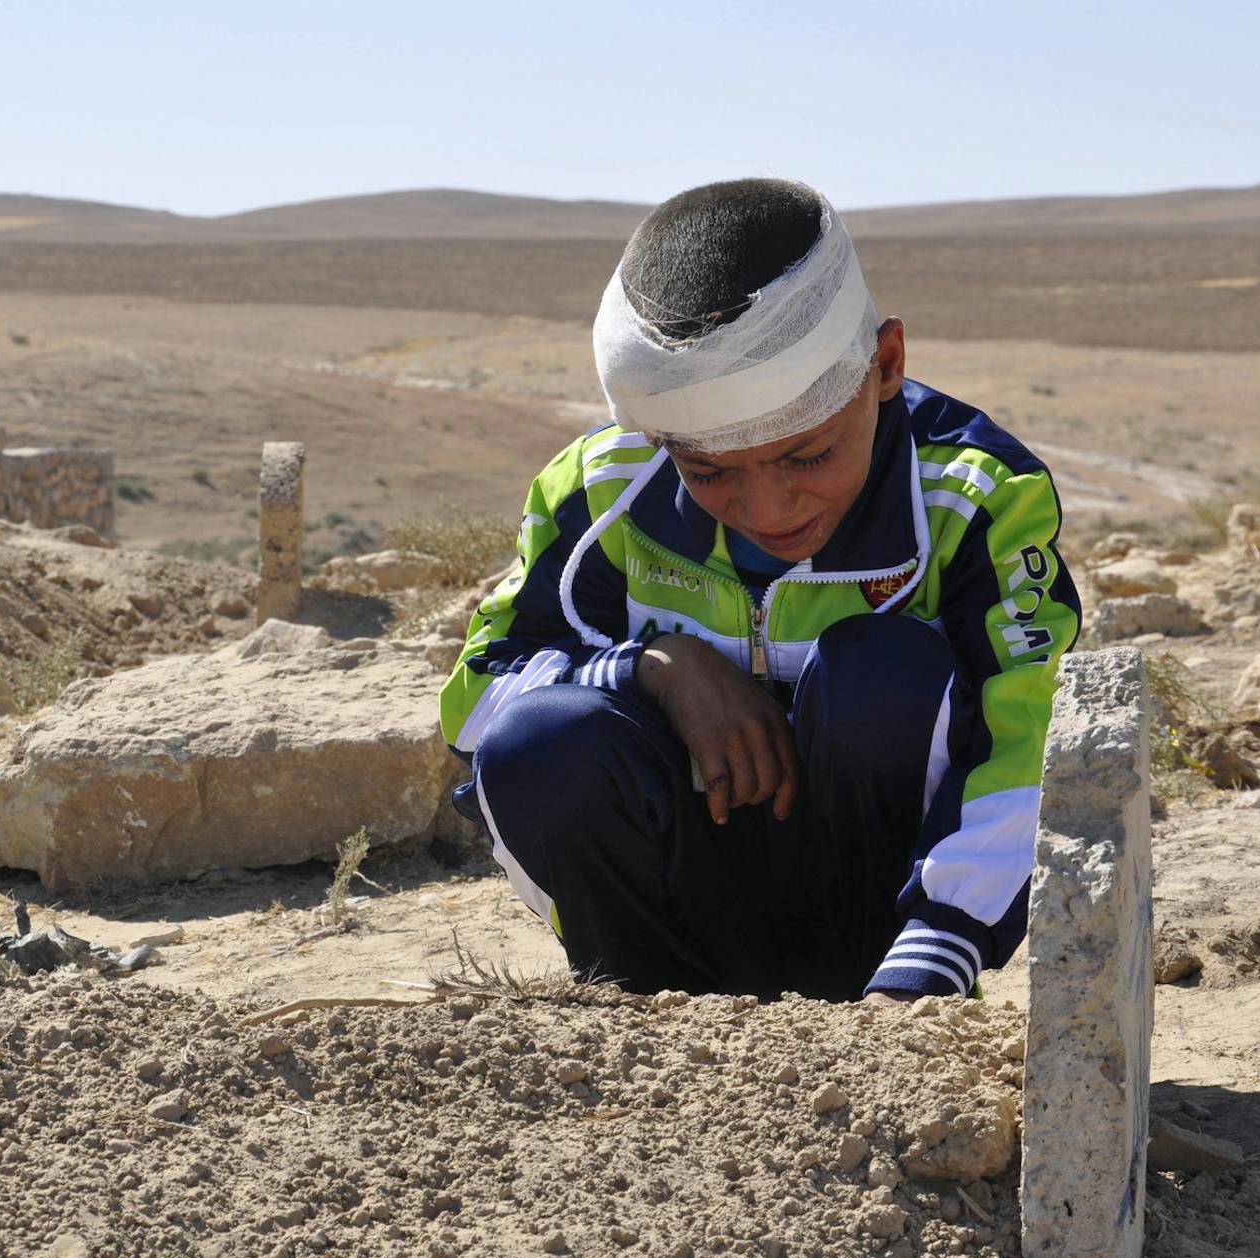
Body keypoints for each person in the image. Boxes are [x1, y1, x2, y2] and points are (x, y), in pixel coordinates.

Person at [438, 178, 1080, 1005]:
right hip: (673, 940)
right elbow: (478, 695)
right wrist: (657, 670)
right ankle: (647, 1021)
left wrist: (938, 949)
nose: (768, 509)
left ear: (885, 366)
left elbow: (1031, 739)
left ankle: (895, 994)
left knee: (885, 678)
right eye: (707, 470)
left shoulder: (971, 492)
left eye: (807, 456)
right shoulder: (602, 489)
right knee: (539, 741)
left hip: (888, 942)